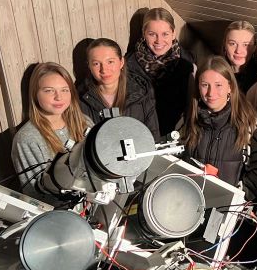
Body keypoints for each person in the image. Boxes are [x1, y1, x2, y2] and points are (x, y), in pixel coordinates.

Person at [176, 56, 257, 202]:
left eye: (218, 85)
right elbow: (174, 157)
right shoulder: (187, 120)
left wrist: (238, 197)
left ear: (230, 87)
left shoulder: (248, 125)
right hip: (188, 201)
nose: (211, 93)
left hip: (227, 207)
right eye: (205, 85)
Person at [11, 62, 89, 199]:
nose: (59, 97)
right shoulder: (27, 138)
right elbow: (36, 195)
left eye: (64, 90)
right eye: (49, 90)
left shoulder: (84, 122)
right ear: (35, 94)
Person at [126, 8, 194, 136]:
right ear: (144, 33)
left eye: (165, 34)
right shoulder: (128, 65)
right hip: (140, 136)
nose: (159, 41)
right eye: (152, 34)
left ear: (173, 33)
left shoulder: (188, 64)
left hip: (177, 136)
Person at [78, 38, 159, 138]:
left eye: (110, 62)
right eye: (96, 64)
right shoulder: (81, 99)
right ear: (89, 66)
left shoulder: (142, 92)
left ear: (121, 62)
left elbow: (153, 135)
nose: (104, 69)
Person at [222, 21, 257, 94]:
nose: (238, 51)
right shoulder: (214, 72)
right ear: (225, 45)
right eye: (233, 44)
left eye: (246, 45)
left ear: (254, 48)